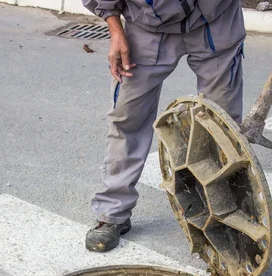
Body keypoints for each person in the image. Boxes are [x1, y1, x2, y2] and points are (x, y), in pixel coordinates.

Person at [82, 0, 246, 252]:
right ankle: (113, 210)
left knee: (221, 124)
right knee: (128, 116)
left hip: (215, 19)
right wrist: (116, 31)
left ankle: (226, 211)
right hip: (149, 25)